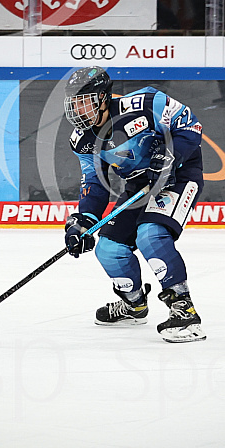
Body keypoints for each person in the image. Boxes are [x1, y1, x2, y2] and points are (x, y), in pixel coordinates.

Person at [62, 66, 206, 343]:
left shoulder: (146, 103)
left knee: (150, 233)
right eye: (73, 102)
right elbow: (94, 183)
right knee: (108, 249)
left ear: (103, 98)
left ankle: (184, 310)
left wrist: (167, 156)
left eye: (84, 100)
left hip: (178, 177)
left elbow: (190, 126)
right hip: (137, 186)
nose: (78, 109)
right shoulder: (81, 141)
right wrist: (83, 221)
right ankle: (134, 304)